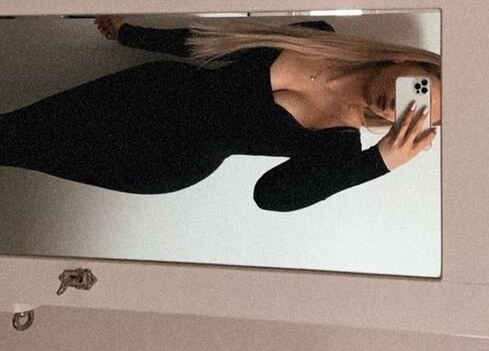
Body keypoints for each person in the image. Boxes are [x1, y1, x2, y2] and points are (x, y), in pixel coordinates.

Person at [0, 14, 440, 211]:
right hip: (149, 92)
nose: (400, 105)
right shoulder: (321, 36)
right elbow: (221, 43)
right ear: (404, 61)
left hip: (166, 161)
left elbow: (271, 197)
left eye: (417, 112)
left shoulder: (339, 148)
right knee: (14, 128)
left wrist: (379, 162)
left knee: (19, 152)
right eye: (416, 89)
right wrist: (131, 34)